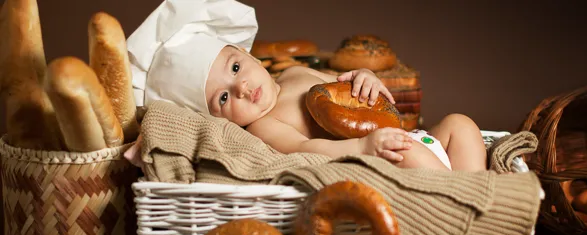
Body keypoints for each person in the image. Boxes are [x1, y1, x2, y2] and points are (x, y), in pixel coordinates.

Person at [125, 0, 487, 172]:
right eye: (222, 97)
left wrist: (366, 78)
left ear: (246, 54)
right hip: (384, 159)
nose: (240, 88)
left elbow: (346, 89)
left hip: (414, 138)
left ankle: (481, 196)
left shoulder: (296, 74)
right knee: (408, 153)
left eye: (235, 67)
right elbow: (305, 148)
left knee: (460, 124)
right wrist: (363, 145)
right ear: (218, 118)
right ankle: (459, 206)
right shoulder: (263, 127)